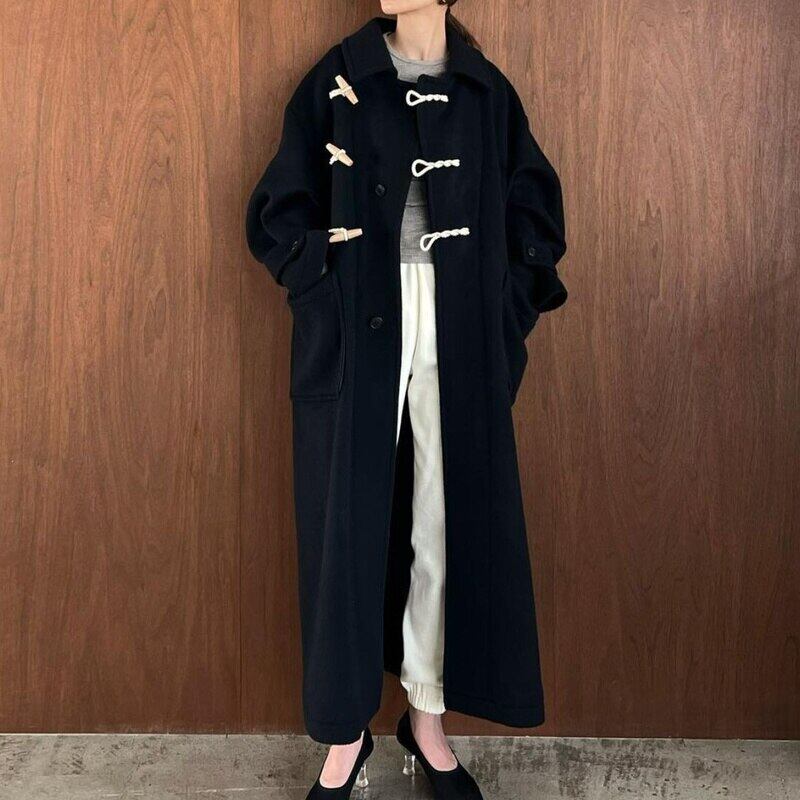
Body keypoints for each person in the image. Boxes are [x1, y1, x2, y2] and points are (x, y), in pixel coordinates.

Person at [245, 2, 567, 797]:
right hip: (361, 318)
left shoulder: (485, 91)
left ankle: (427, 720)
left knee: (443, 517)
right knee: (345, 521)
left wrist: (502, 310)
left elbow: (535, 210)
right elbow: (281, 202)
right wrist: (322, 283)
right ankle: (344, 734)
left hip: (458, 322)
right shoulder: (340, 76)